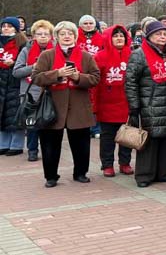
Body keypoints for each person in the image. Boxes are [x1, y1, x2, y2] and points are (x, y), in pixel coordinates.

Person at [31, 21, 100, 187]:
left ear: (75, 36)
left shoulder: (85, 56)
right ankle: (51, 176)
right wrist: (57, 74)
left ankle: (80, 173)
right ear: (56, 37)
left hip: (78, 106)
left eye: (70, 33)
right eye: (63, 34)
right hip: (53, 106)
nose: (67, 36)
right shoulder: (47, 55)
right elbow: (36, 77)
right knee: (50, 144)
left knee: (81, 144)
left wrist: (78, 77)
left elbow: (96, 78)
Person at [125, 20, 166, 188]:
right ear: (149, 36)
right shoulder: (138, 54)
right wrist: (134, 104)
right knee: (149, 142)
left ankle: (162, 172)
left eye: (165, 34)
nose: (162, 37)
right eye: (158, 34)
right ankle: (144, 175)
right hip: (149, 104)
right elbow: (130, 81)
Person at [92, 25, 134, 177]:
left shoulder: (133, 55)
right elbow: (94, 84)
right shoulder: (99, 56)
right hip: (107, 104)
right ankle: (107, 165)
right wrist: (94, 106)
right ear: (109, 38)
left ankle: (125, 163)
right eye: (115, 36)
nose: (119, 38)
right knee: (108, 137)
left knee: (127, 137)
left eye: (122, 36)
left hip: (127, 103)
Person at [13, 20, 55, 161]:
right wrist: (34, 66)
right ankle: (32, 150)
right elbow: (16, 72)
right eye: (39, 34)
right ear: (34, 36)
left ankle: (49, 150)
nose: (43, 37)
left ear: (51, 36)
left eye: (46, 34)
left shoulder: (56, 50)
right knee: (32, 125)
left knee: (50, 123)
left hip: (51, 92)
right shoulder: (26, 50)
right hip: (30, 93)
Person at [0, 17, 28, 154]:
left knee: (15, 114)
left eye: (9, 26)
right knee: (2, 113)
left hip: (15, 82)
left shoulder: (22, 43)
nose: (6, 28)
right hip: (1, 82)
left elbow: (25, 61)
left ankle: (16, 145)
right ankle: (3, 144)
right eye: (4, 26)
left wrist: (14, 62)